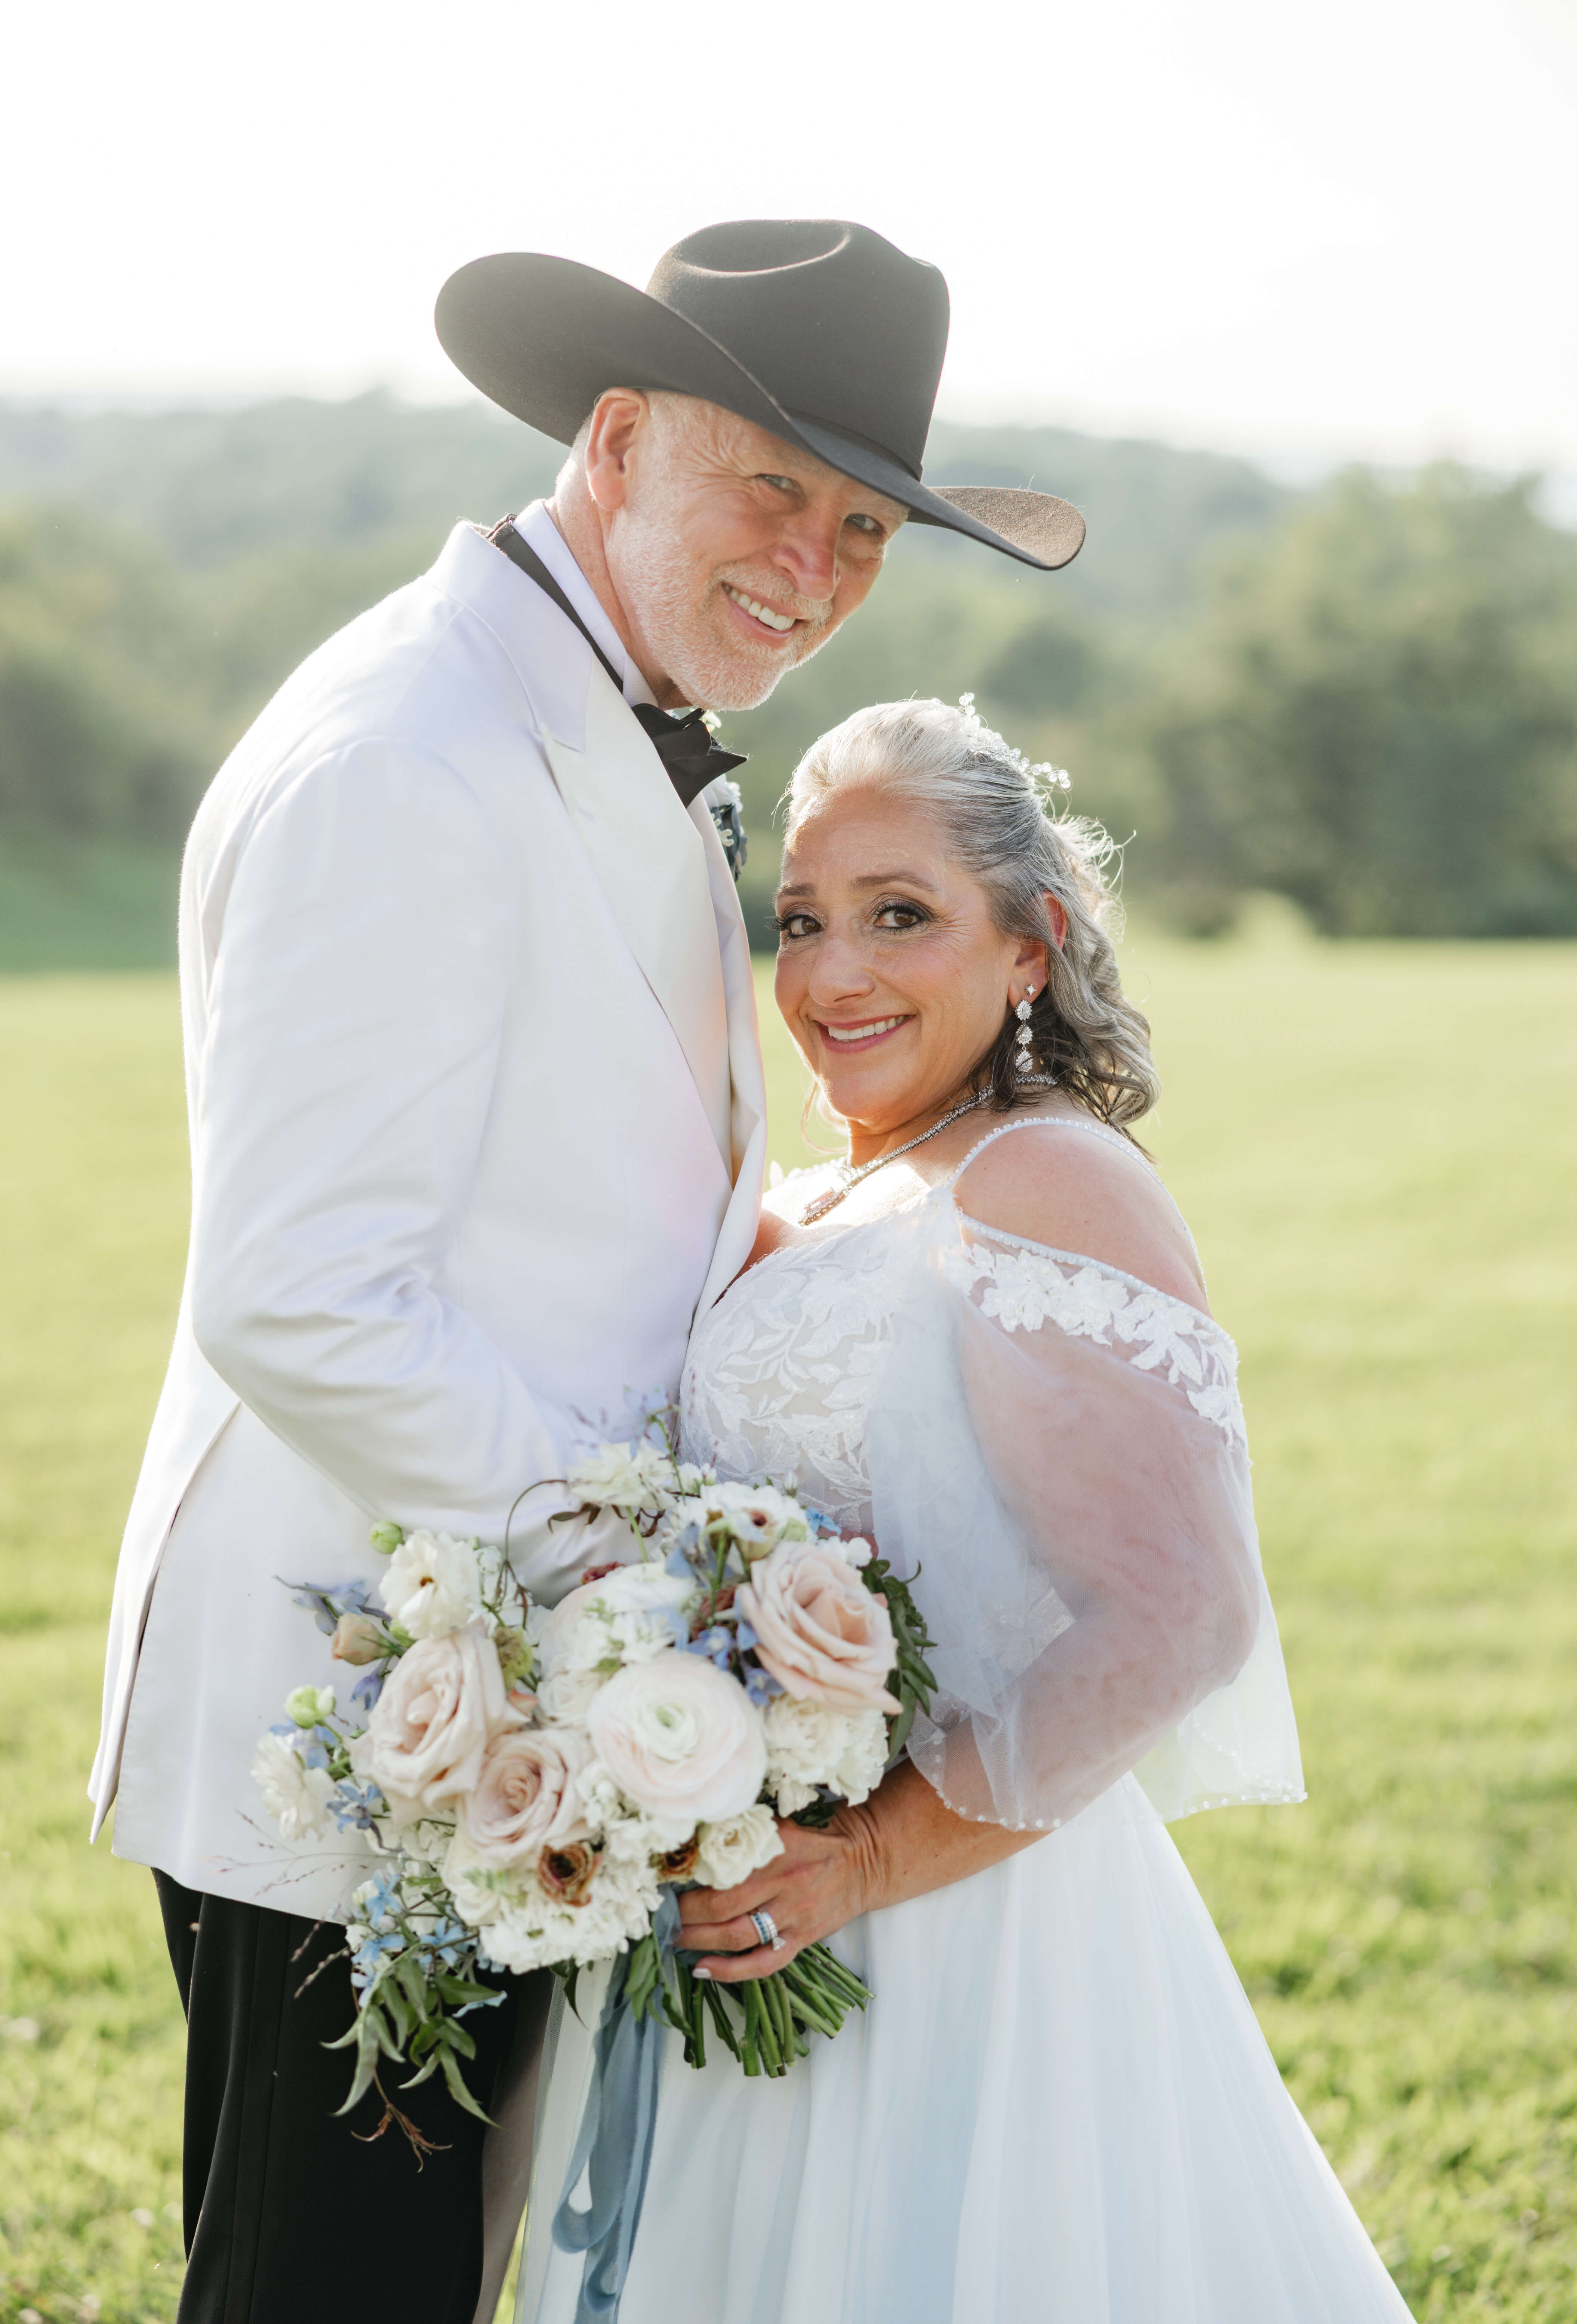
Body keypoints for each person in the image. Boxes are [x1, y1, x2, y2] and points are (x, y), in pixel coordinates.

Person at [87, 222, 1085, 2324]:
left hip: (508, 1718)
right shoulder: (411, 755)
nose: (813, 567)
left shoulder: (584, 707)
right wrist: (666, 1596)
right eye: (770, 491)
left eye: (860, 528)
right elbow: (301, 1292)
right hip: (364, 1710)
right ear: (618, 438)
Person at [518, 697, 1416, 2323]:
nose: (835, 971)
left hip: (963, 1934)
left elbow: (1179, 1613)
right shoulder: (805, 1196)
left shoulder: (1048, 1182)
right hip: (754, 1907)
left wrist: (860, 1860)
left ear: (1030, 945)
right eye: (801, 921)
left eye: (900, 915)